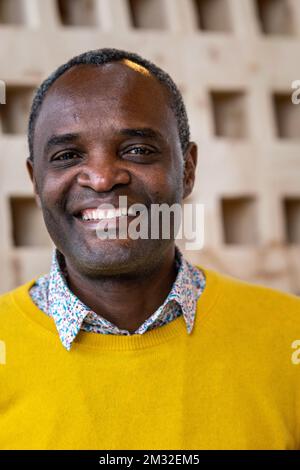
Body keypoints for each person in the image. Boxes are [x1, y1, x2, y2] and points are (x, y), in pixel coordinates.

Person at [0, 48, 299, 450]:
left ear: (187, 170)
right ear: (36, 182)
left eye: (138, 150)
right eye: (68, 156)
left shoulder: (289, 336)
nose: (103, 179)